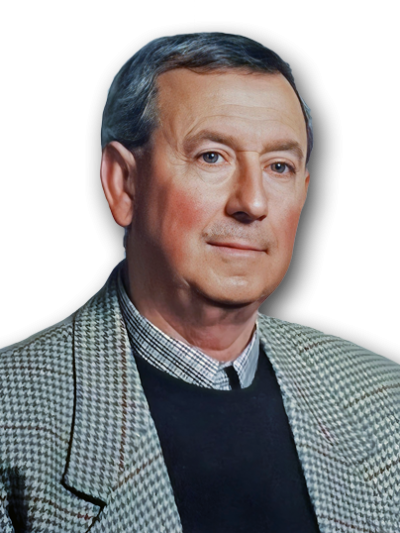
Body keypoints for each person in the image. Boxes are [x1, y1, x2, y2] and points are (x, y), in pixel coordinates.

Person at [0, 31, 399, 533]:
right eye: (212, 156)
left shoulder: (387, 398)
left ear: (303, 191)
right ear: (124, 184)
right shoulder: (10, 420)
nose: (253, 202)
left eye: (279, 166)